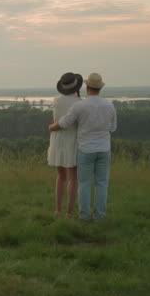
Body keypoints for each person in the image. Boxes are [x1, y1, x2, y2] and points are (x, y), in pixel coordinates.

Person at [48, 72, 116, 222]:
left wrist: (51, 127)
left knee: (76, 181)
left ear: (87, 86)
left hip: (78, 145)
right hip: (98, 147)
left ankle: (73, 214)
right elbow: (112, 128)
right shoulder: (107, 105)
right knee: (98, 183)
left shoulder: (73, 104)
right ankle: (95, 217)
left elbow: (63, 122)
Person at [47, 72, 82, 218]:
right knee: (73, 178)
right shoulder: (80, 102)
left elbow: (54, 120)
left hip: (56, 138)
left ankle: (57, 210)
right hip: (72, 139)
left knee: (60, 176)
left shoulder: (56, 100)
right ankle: (69, 213)